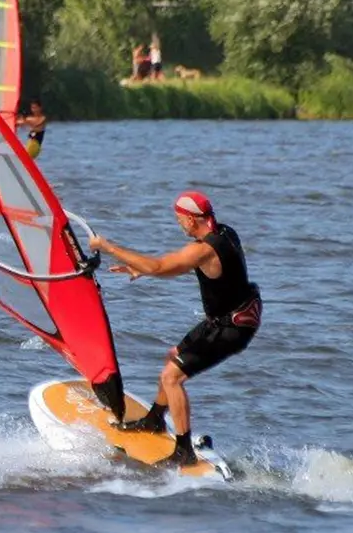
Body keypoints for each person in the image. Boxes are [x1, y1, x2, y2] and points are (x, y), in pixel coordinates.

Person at [87, 191, 262, 467]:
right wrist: (142, 270)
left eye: (180, 220)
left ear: (193, 220)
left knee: (172, 378)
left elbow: (159, 266)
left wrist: (108, 247)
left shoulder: (202, 250)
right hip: (230, 317)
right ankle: (154, 420)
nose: (179, 225)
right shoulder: (227, 233)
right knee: (174, 357)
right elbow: (164, 269)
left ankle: (184, 451)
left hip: (232, 327)